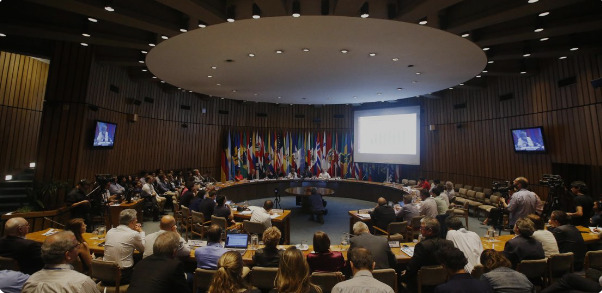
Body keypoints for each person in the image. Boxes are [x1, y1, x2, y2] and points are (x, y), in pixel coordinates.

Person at [21, 231, 100, 293]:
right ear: (68, 255)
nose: (79, 247)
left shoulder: (29, 281)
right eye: (77, 245)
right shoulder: (81, 282)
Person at [402, 217, 454, 291]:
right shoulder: (449, 243)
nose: (420, 229)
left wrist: (405, 273)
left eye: (421, 228)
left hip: (422, 285)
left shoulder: (422, 246)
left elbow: (412, 267)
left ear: (429, 231)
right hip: (443, 282)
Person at [103, 209, 145, 284]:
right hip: (122, 276)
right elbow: (143, 249)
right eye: (136, 220)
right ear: (132, 222)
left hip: (105, 274)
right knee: (144, 256)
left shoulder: (110, 231)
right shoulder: (133, 234)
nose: (137, 221)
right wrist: (141, 232)